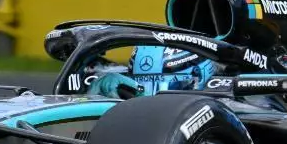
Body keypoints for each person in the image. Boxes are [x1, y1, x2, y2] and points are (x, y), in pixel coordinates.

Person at [87, 45, 217, 99]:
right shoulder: (113, 80)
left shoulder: (224, 99)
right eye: (143, 83)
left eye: (169, 85)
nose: (151, 97)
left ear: (198, 76)